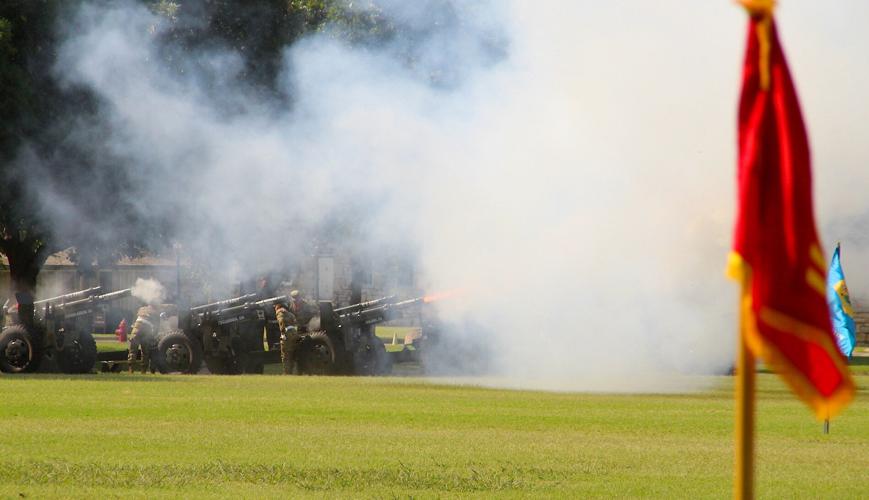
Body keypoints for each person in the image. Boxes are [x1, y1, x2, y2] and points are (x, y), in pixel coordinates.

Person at [275, 302, 300, 375]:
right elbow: (296, 322)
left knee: (285, 355)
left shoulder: (280, 312)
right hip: (294, 333)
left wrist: (283, 333)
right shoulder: (290, 313)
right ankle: (296, 371)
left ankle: (287, 373)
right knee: (293, 353)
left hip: (287, 334)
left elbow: (281, 321)